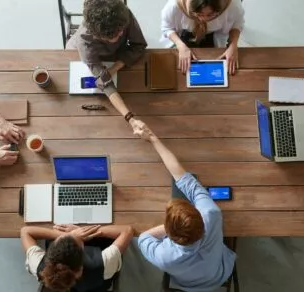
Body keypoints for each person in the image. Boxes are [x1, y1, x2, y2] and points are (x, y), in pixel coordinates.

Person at [134, 124, 236, 291]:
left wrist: (152, 138)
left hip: (187, 285)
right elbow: (185, 179)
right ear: (199, 217)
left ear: (168, 232)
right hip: (220, 273)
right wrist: (152, 137)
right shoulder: (211, 214)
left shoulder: (164, 256)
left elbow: (144, 236)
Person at [67, 0, 147, 131]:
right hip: (80, 55)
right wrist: (130, 118)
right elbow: (105, 81)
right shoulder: (84, 41)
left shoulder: (122, 15)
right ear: (97, 35)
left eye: (121, 29)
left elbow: (139, 45)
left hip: (115, 56)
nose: (122, 33)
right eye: (116, 34)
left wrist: (114, 68)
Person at [21, 224, 134, 292]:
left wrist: (71, 235)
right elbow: (128, 230)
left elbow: (25, 231)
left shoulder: (38, 266)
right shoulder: (105, 264)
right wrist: (85, 231)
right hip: (98, 283)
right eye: (81, 242)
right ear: (80, 267)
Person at [161, 0, 245, 74]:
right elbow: (167, 28)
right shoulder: (174, 6)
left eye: (210, 15)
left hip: (214, 35)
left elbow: (237, 24)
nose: (204, 19)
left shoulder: (233, 5)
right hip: (183, 34)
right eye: (199, 14)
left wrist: (233, 45)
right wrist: (181, 46)